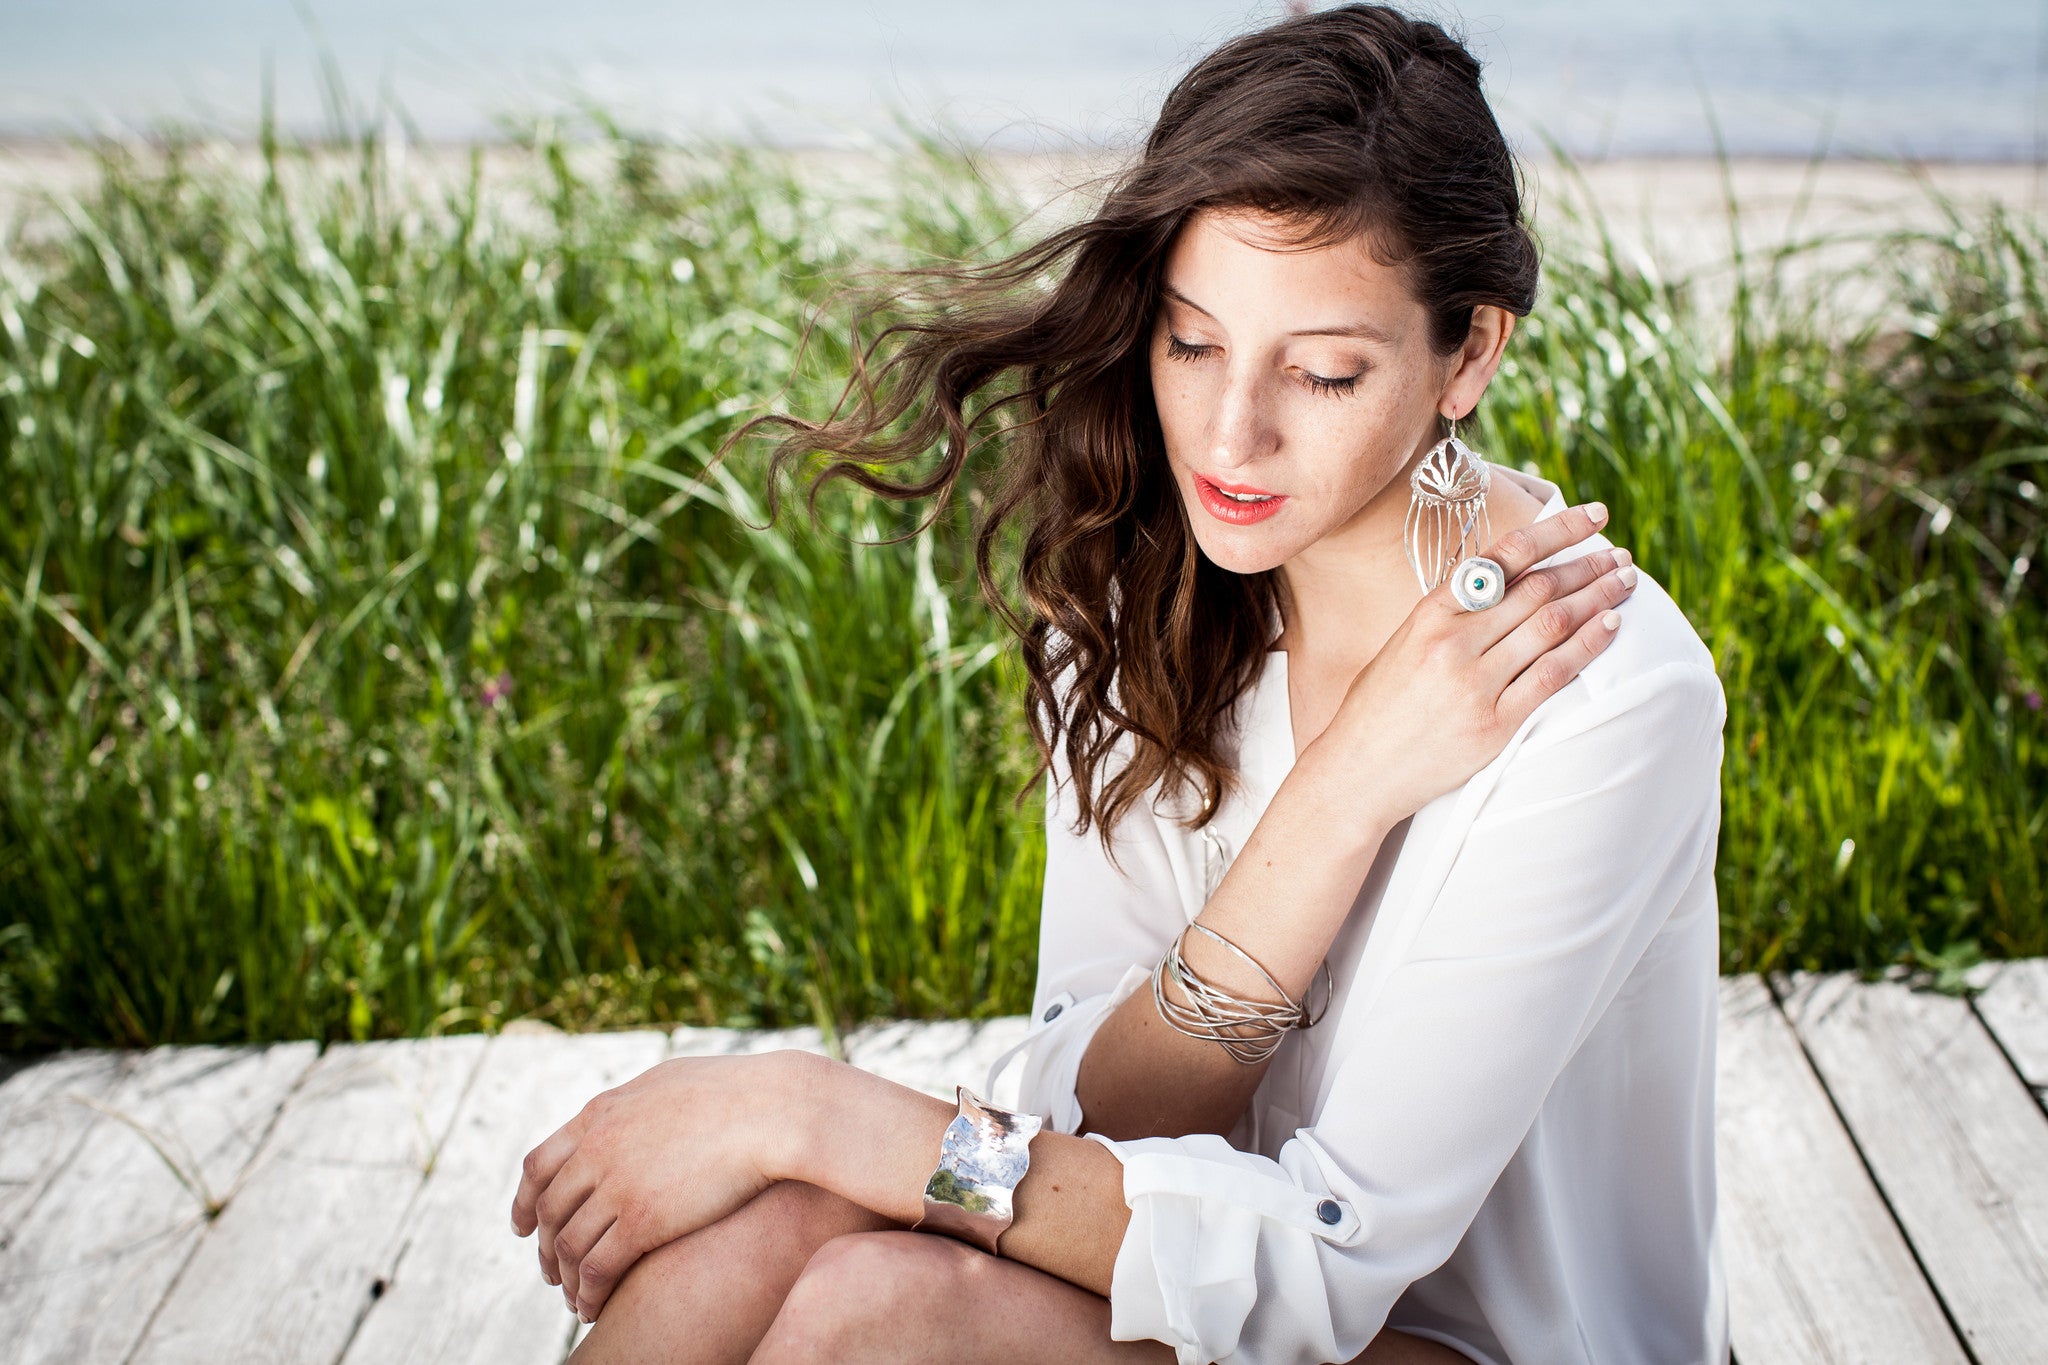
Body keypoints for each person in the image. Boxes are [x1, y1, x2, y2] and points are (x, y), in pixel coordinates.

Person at [509, 5, 1731, 1362]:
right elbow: (1092, 1131)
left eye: (1324, 372)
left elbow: (1322, 1266)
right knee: (760, 1237)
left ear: (1472, 353)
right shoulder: (1143, 584)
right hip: (1184, 1278)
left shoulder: (1607, 701)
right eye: (1192, 342)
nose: (1229, 434)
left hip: (1463, 1341)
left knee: (880, 1300)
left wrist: (820, 1110)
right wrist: (1333, 803)